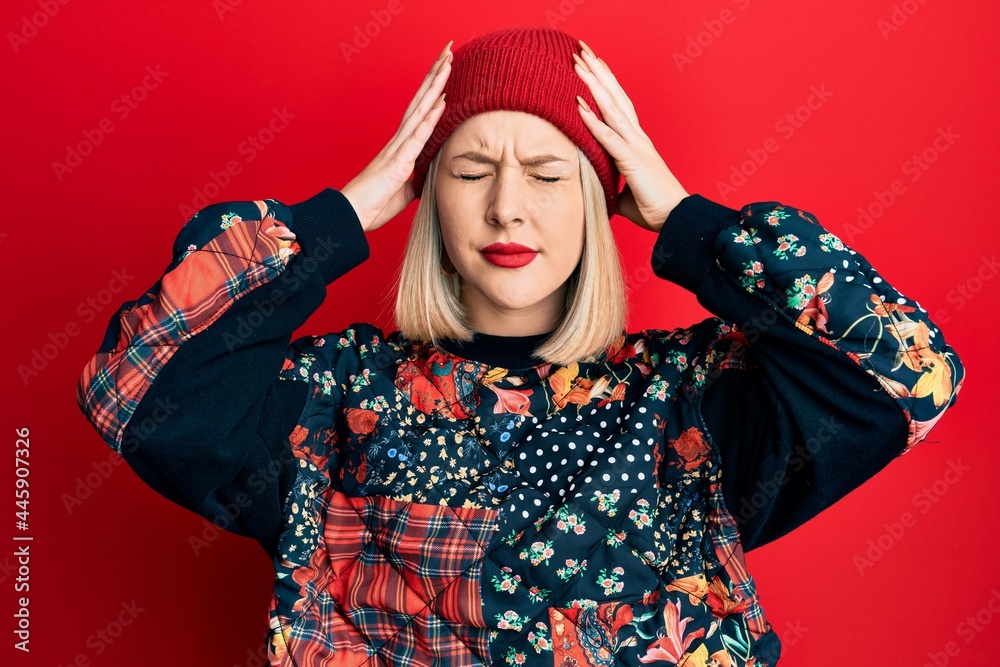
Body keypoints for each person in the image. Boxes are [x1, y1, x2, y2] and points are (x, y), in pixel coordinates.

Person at [76, 26, 964, 667]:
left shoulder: (689, 402)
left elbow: (907, 370)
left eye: (547, 175)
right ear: (428, 200)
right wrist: (342, 215)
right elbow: (137, 382)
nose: (507, 206)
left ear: (597, 202)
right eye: (469, 171)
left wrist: (685, 220)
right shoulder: (332, 399)